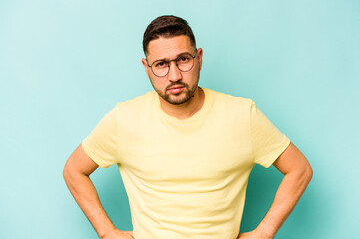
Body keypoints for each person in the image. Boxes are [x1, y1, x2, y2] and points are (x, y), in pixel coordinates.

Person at [63, 15, 313, 239]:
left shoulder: (242, 115)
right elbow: (74, 170)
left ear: (199, 58)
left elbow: (299, 169)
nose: (174, 76)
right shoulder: (123, 119)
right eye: (161, 64)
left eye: (183, 60)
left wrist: (264, 232)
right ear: (146, 69)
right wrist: (107, 232)